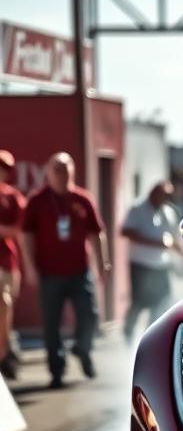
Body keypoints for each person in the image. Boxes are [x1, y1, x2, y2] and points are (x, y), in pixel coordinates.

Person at [20, 152, 110, 389]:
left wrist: (103, 263)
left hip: (79, 270)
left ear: (72, 172)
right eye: (56, 170)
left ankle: (82, 349)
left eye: (65, 169)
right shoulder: (37, 201)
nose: (61, 174)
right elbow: (26, 235)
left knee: (90, 316)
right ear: (48, 173)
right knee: (52, 323)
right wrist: (30, 266)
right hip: (49, 273)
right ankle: (56, 370)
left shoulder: (82, 199)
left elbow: (97, 233)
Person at [122, 180, 183, 343]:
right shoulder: (138, 208)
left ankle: (151, 334)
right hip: (141, 263)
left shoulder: (169, 212)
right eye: (163, 195)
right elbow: (126, 231)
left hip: (161, 264)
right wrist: (153, 243)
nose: (165, 198)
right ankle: (128, 330)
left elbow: (174, 236)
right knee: (139, 300)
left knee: (163, 300)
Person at [0, 150, 28, 379]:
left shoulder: (13, 197)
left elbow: (19, 230)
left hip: (6, 262)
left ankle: (5, 354)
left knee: (5, 307)